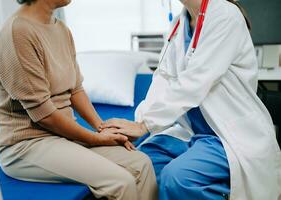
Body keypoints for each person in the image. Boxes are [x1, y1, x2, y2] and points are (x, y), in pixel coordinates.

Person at [100, 0, 281, 199]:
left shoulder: (225, 15)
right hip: (191, 132)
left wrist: (146, 125)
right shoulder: (180, 22)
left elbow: (196, 80)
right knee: (143, 163)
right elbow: (163, 79)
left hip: (228, 136)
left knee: (178, 178)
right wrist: (138, 124)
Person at [0, 0, 157, 199]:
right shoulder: (17, 33)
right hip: (26, 145)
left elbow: (75, 89)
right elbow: (43, 114)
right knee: (121, 182)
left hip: (62, 137)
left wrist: (102, 128)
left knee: (142, 164)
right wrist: (95, 139)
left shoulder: (60, 29)